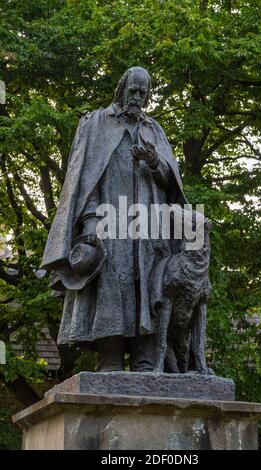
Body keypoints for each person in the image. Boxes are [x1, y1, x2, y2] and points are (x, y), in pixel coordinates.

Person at [42, 66, 186, 372]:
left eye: (143, 94)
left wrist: (153, 160)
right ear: (121, 89)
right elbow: (83, 180)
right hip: (109, 222)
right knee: (112, 285)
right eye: (133, 91)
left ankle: (146, 358)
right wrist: (91, 220)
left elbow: (171, 181)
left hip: (148, 224)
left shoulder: (154, 130)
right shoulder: (95, 123)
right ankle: (109, 358)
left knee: (148, 286)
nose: (137, 98)